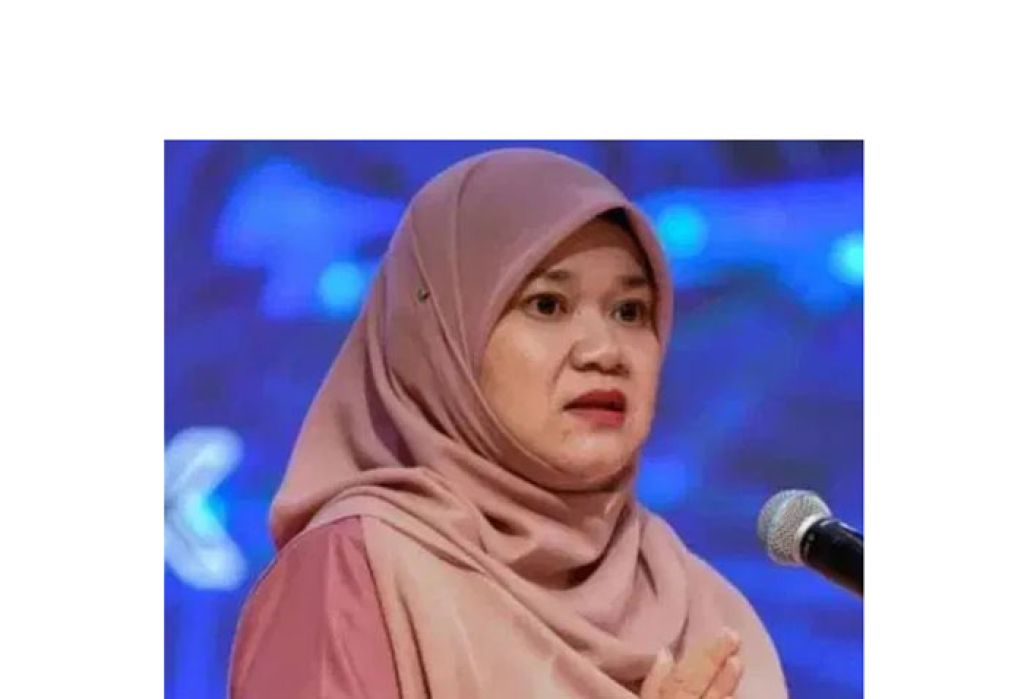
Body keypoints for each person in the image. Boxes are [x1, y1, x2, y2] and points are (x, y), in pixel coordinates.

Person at [228, 148, 788, 698]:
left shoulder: (705, 609)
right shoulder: (354, 571)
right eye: (547, 305)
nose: (604, 351)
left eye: (629, 312)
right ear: (440, 336)